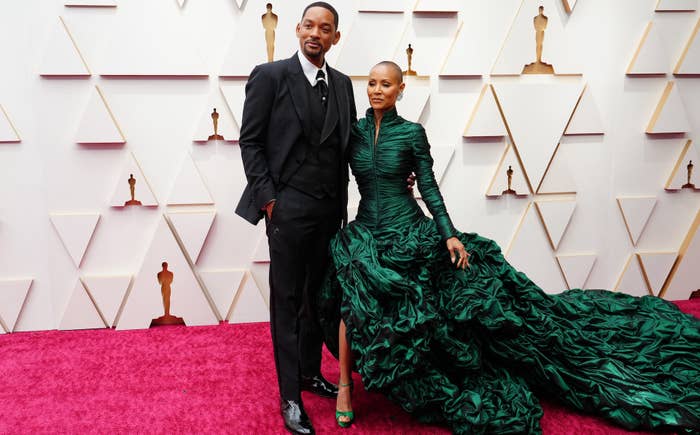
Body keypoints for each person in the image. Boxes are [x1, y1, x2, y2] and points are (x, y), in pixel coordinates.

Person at [318, 61, 700, 433]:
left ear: (401, 89)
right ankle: (346, 391)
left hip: (409, 230)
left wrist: (448, 233)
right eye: (371, 83)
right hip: (366, 232)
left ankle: (439, 369)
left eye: (386, 84)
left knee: (444, 306)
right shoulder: (353, 132)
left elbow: (429, 186)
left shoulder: (413, 133)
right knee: (353, 301)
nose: (377, 90)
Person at [235, 3, 356, 434]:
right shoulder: (269, 76)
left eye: (325, 29)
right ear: (297, 29)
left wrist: (395, 166)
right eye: (309, 25)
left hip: (329, 209)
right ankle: (289, 395)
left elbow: (349, 145)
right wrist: (270, 201)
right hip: (287, 208)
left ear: (335, 38)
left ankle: (308, 373)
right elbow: (250, 142)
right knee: (286, 301)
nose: (315, 34)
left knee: (318, 298)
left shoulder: (342, 85)